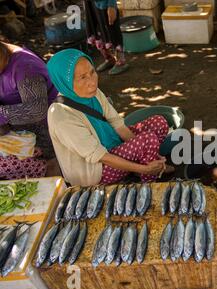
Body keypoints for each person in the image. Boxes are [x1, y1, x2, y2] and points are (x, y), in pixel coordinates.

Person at [46, 49, 173, 187]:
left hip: (111, 145)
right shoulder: (62, 117)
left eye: (92, 72)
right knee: (148, 140)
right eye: (83, 77)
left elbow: (116, 123)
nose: (92, 81)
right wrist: (144, 168)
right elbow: (100, 156)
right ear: (65, 82)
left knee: (159, 122)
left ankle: (146, 167)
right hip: (96, 170)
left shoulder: (92, 93)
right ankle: (148, 184)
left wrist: (145, 153)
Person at [0, 41, 58, 180]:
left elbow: (37, 109)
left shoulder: (25, 68)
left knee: (51, 171)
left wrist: (1, 115)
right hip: (18, 132)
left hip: (45, 129)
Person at [83, 0, 129, 75]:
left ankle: (121, 62)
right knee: (97, 30)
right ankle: (109, 59)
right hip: (90, 3)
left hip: (105, 3)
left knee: (111, 30)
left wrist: (111, 5)